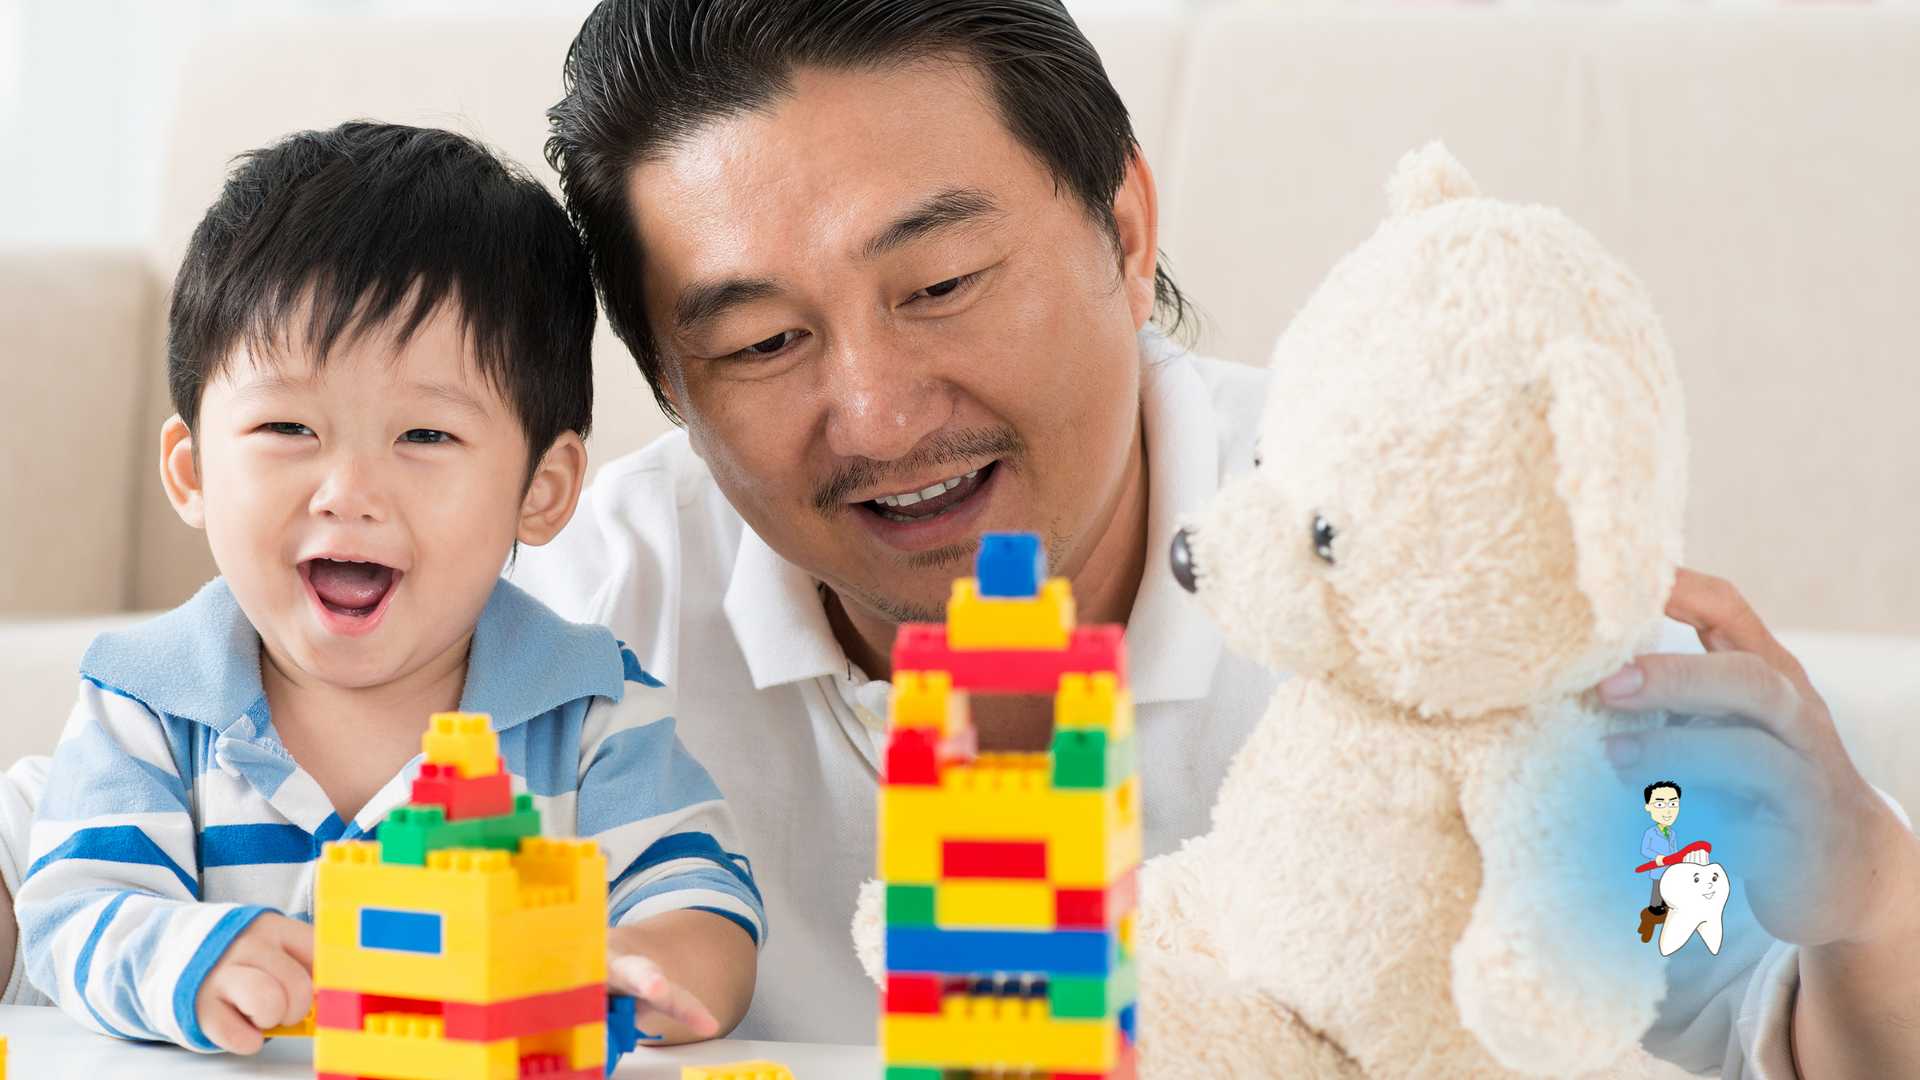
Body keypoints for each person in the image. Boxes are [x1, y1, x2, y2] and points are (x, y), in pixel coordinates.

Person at [520, 2, 1920, 1075]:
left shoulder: (1433, 547)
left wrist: (1867, 912)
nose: (878, 415)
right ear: (673, 388)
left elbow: (1759, 1020)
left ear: (1125, 228)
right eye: (763, 342)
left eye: (940, 282)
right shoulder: (574, 637)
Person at [10, 123, 760, 1052]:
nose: (350, 493)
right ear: (192, 470)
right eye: (288, 426)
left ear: (542, 489)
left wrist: (637, 962)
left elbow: (704, 905)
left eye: (426, 437)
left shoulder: (591, 712)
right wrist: (196, 958)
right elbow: (73, 915)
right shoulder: (144, 706)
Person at [1642, 781, 1685, 917]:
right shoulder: (1650, 832)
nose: (1668, 811)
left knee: (1670, 888)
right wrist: (1657, 856)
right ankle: (1654, 909)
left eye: (1673, 804)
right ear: (1648, 807)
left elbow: (1676, 850)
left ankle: (1669, 906)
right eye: (1660, 804)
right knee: (1657, 889)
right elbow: (1644, 850)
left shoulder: (1672, 833)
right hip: (1658, 868)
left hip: (1672, 868)